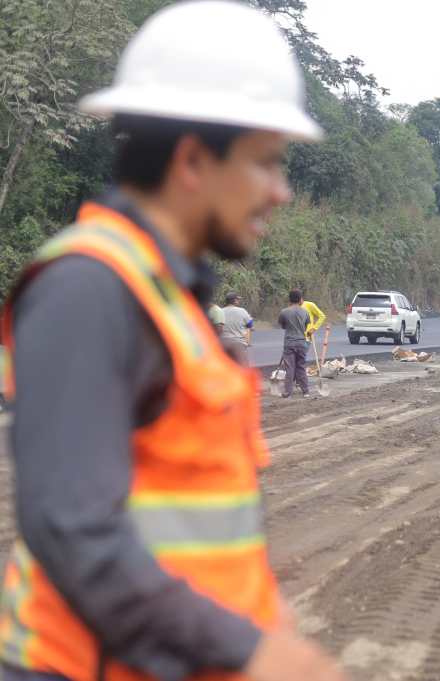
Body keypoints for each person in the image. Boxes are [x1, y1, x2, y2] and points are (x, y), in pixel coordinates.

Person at [0, 3, 346, 681]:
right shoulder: (88, 289)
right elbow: (75, 531)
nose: (282, 191)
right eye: (267, 162)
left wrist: (259, 626)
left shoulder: (166, 295)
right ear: (192, 159)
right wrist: (247, 649)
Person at [279, 289, 312, 399]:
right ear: (300, 299)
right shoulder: (305, 312)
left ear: (289, 299)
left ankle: (287, 392)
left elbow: (283, 326)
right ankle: (306, 392)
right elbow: (307, 324)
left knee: (290, 368)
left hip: (289, 343)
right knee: (301, 367)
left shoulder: (284, 312)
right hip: (302, 343)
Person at [222, 292, 255, 363]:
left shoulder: (220, 311)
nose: (238, 301)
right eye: (237, 299)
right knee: (243, 366)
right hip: (238, 343)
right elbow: (250, 325)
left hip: (223, 342)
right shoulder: (242, 311)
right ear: (234, 300)